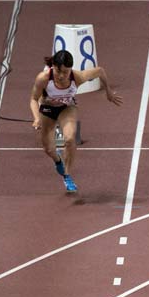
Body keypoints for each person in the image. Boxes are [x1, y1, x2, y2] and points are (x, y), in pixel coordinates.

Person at [30, 50, 121, 193]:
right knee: (48, 149)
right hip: (47, 110)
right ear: (53, 66)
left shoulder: (77, 77)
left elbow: (100, 71)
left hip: (67, 108)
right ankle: (58, 160)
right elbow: (34, 99)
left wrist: (108, 91)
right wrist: (36, 118)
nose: (61, 76)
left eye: (65, 72)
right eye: (58, 71)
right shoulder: (43, 78)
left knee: (70, 138)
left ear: (71, 69)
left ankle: (67, 175)